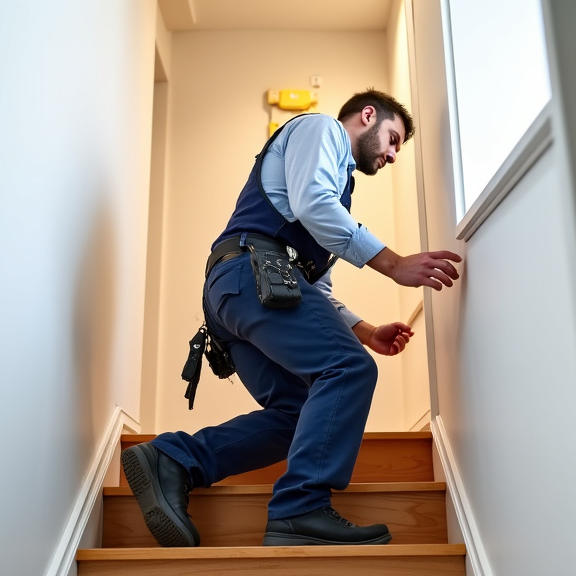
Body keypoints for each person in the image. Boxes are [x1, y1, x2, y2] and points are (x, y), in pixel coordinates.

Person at [121, 88, 462, 547]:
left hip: (244, 291)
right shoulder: (320, 130)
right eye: (394, 139)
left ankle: (174, 459)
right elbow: (314, 206)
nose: (394, 155)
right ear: (367, 116)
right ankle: (300, 508)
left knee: (297, 414)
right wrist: (395, 264)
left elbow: (315, 288)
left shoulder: (338, 187)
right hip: (252, 276)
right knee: (348, 371)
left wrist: (364, 330)